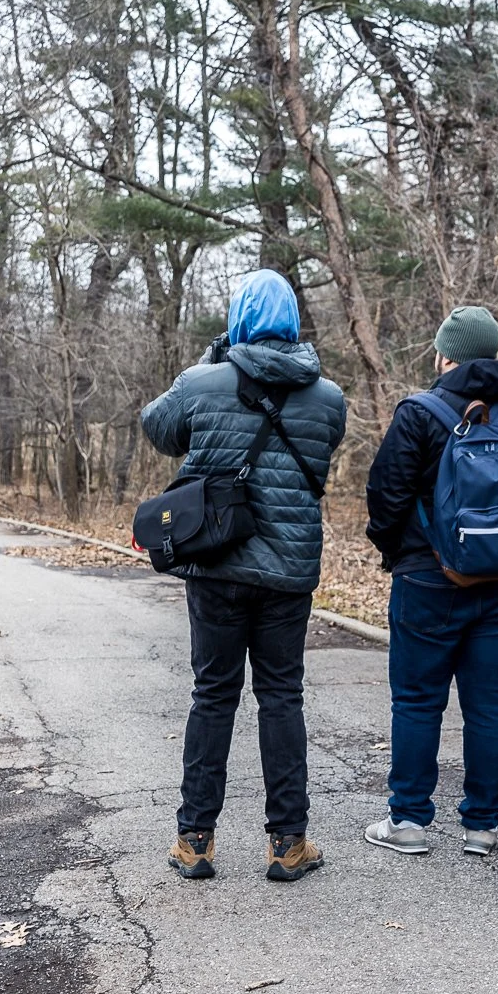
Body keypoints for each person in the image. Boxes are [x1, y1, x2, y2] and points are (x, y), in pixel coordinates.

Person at [141, 269, 348, 883]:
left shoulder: (202, 382)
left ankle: (195, 840)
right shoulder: (328, 397)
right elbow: (320, 450)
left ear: (238, 318)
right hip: (287, 571)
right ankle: (288, 844)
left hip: (217, 565)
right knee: (282, 696)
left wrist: (212, 357)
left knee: (213, 695)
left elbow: (158, 427)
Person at [362, 306, 498, 857]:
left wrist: (400, 553)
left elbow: (385, 495)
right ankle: (481, 826)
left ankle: (407, 820)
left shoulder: (419, 413)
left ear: (445, 354)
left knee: (416, 699)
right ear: (495, 351)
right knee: (490, 703)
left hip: (427, 580)